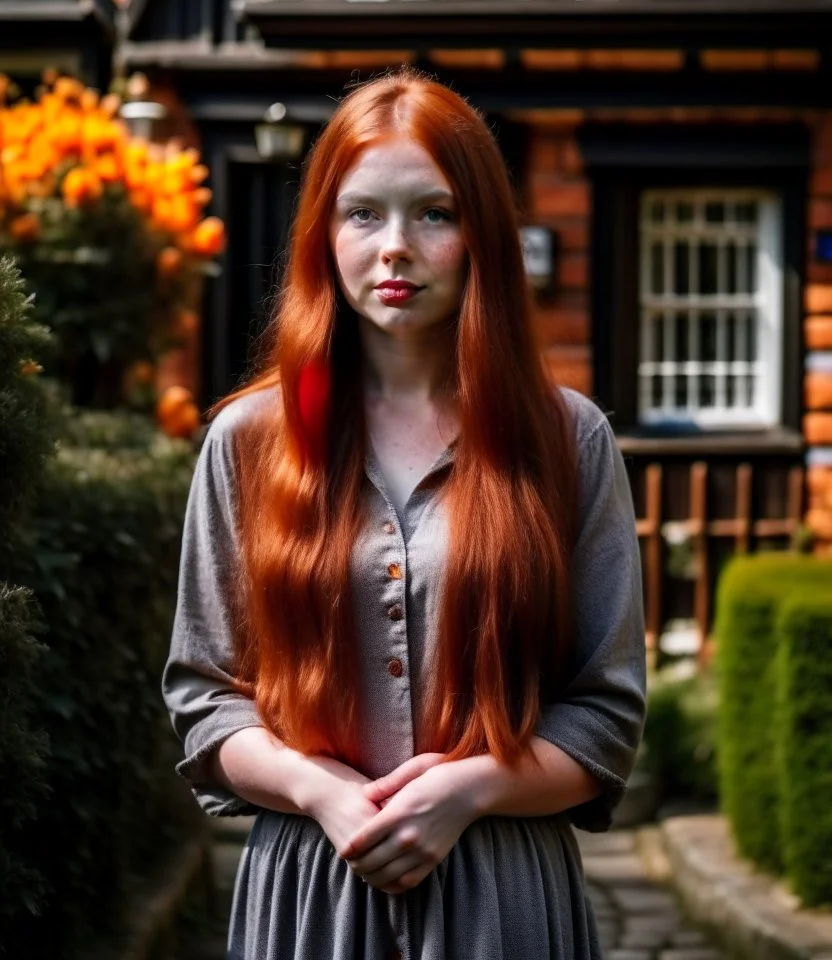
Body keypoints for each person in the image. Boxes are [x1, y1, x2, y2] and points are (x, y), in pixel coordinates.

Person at [162, 68, 646, 960]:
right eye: (363, 214)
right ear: (322, 236)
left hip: (505, 893)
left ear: (482, 237)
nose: (395, 247)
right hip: (309, 894)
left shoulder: (566, 440)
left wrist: (472, 790)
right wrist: (320, 791)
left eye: (434, 213)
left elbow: (607, 712)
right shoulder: (247, 440)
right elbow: (203, 701)